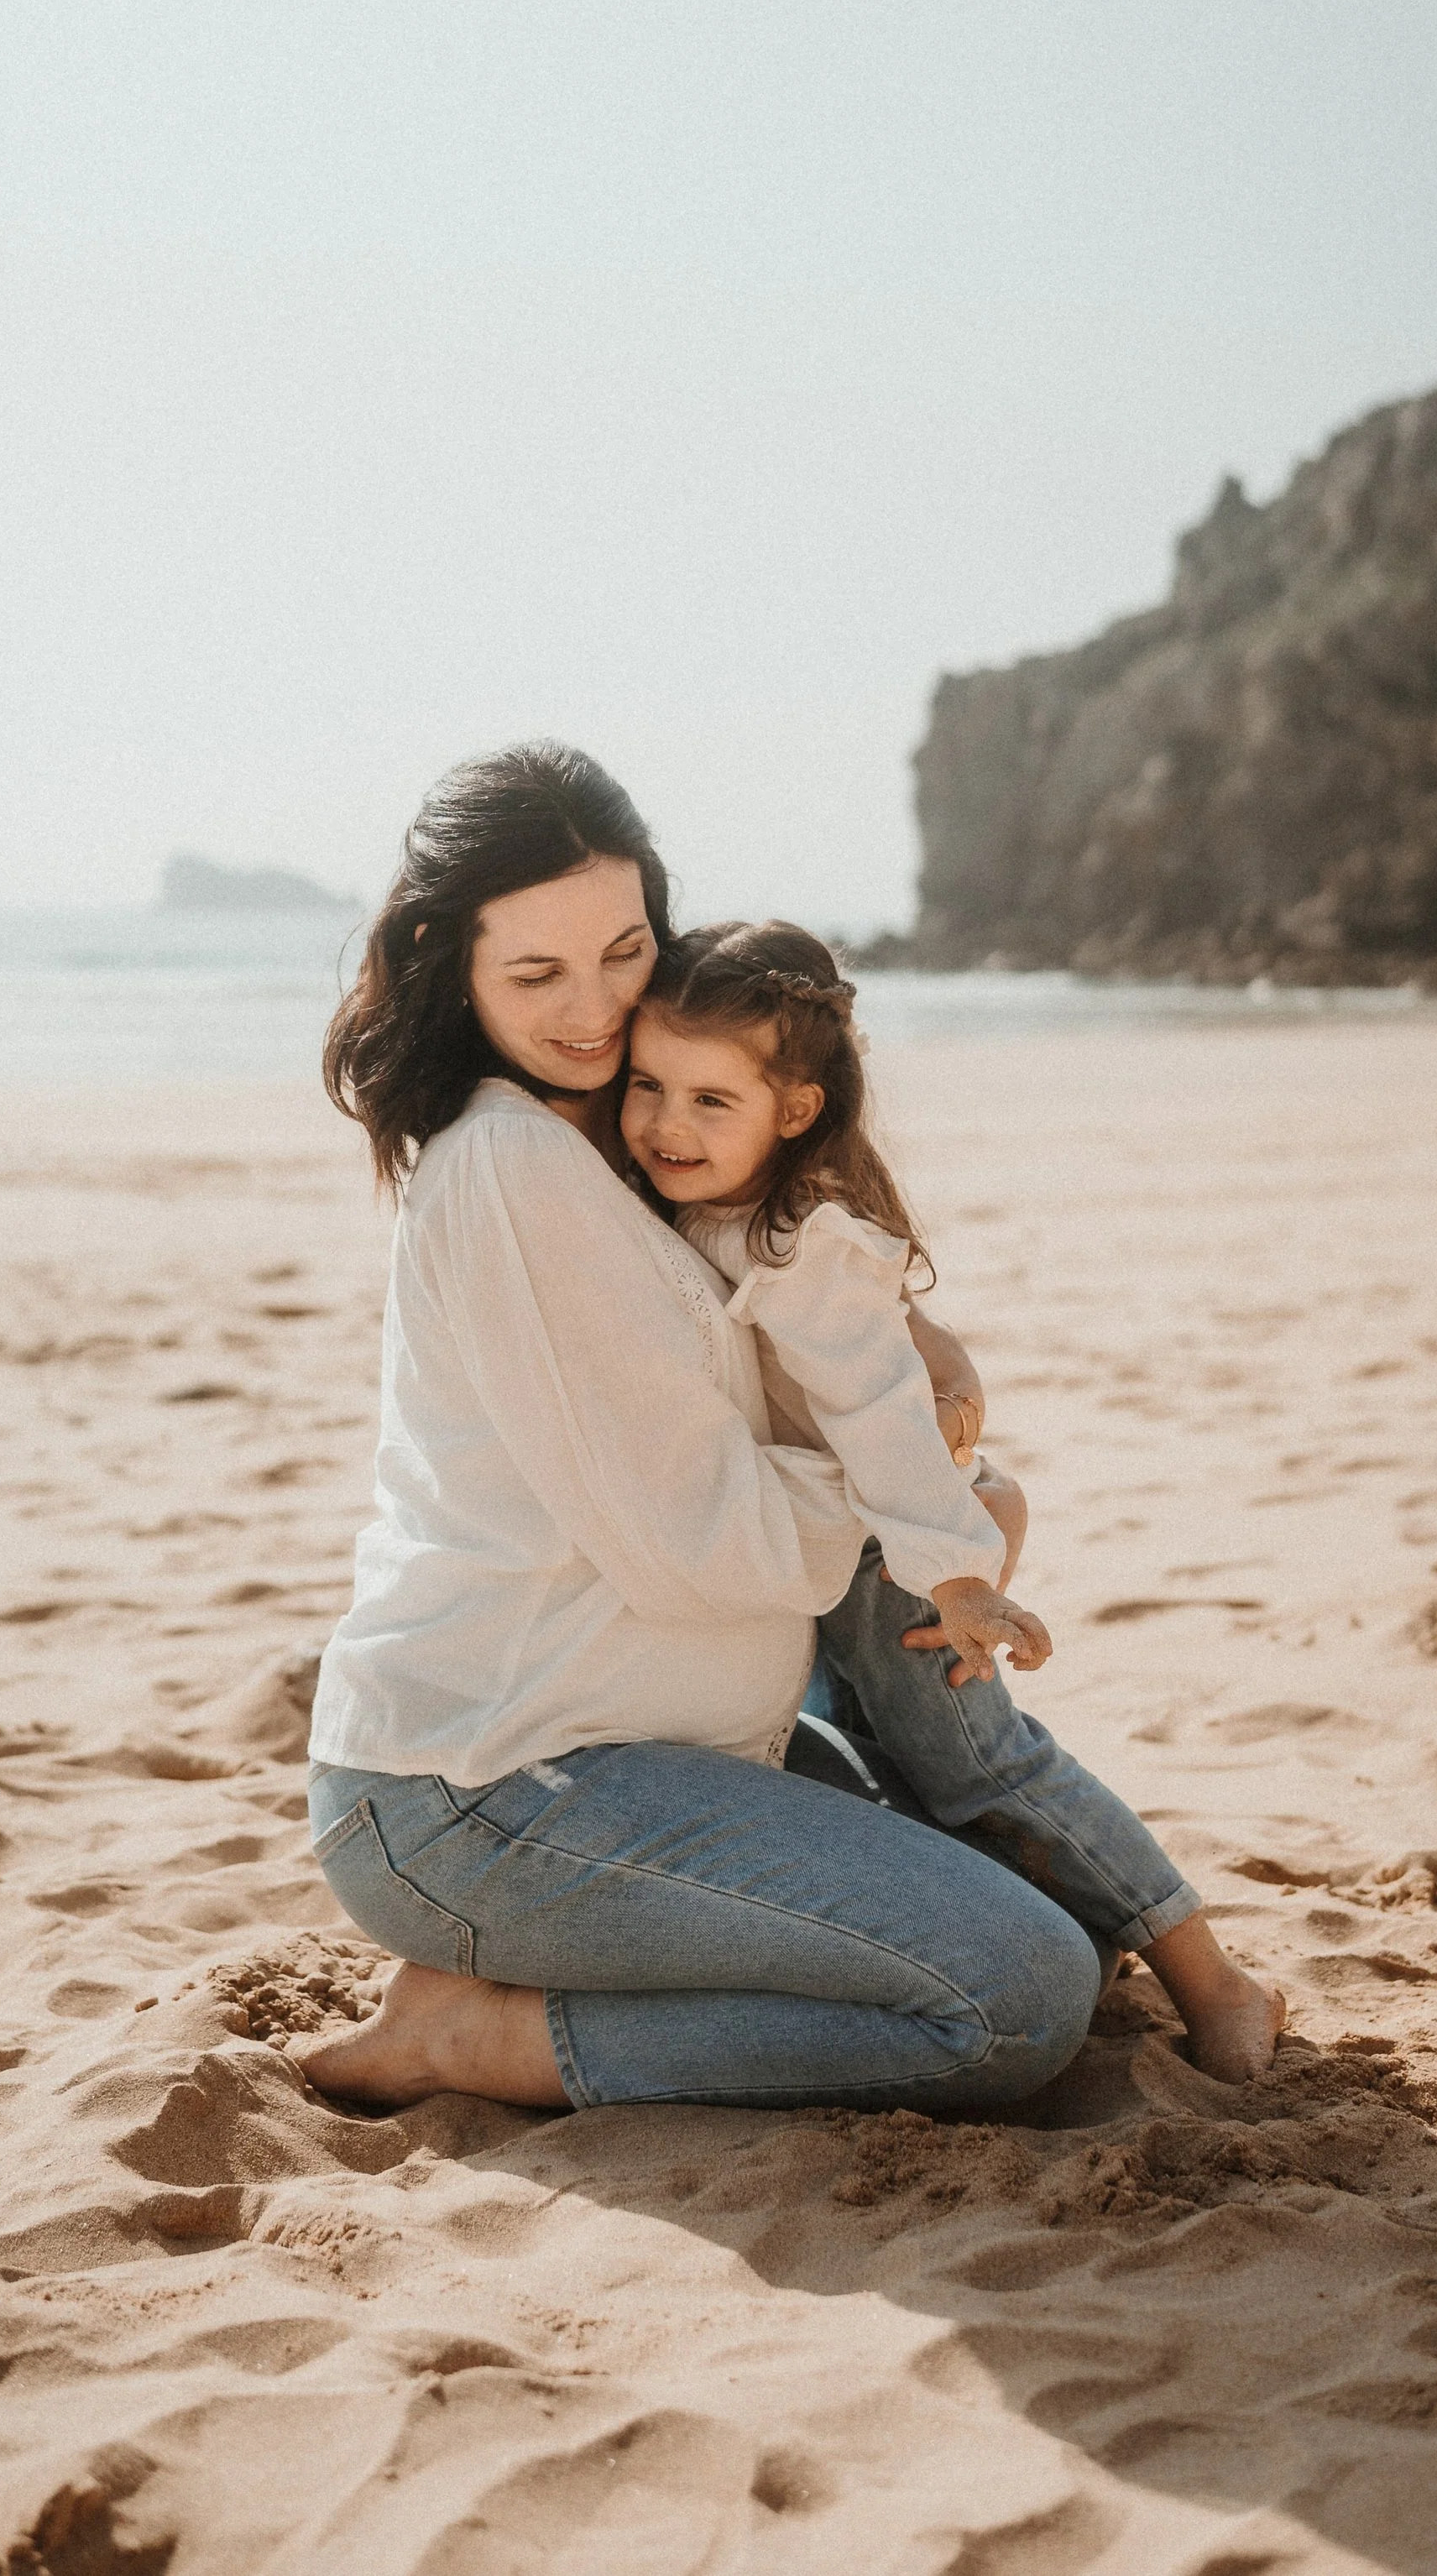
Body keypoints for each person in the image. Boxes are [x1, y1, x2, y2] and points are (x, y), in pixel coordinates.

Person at [299, 742, 1281, 2119]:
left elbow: (780, 1355)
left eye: (625, 951)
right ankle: (474, 2039)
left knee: (1044, 1917)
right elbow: (701, 1546)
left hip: (652, 1748)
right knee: (1017, 1997)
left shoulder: (631, 1135)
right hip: (489, 1783)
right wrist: (925, 1496)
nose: (594, 1012)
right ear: (448, 962)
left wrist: (928, 1403)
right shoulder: (516, 1167)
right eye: (537, 976)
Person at [621, 916, 1282, 2070]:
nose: (668, 1124)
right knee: (915, 1772)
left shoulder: (798, 1245)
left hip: (902, 1564)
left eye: (709, 1101)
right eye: (648, 1085)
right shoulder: (721, 1205)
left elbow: (883, 1414)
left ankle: (1217, 1983)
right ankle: (1077, 1926)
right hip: (856, 1553)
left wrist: (961, 1575)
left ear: (794, 1111)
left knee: (991, 1764)